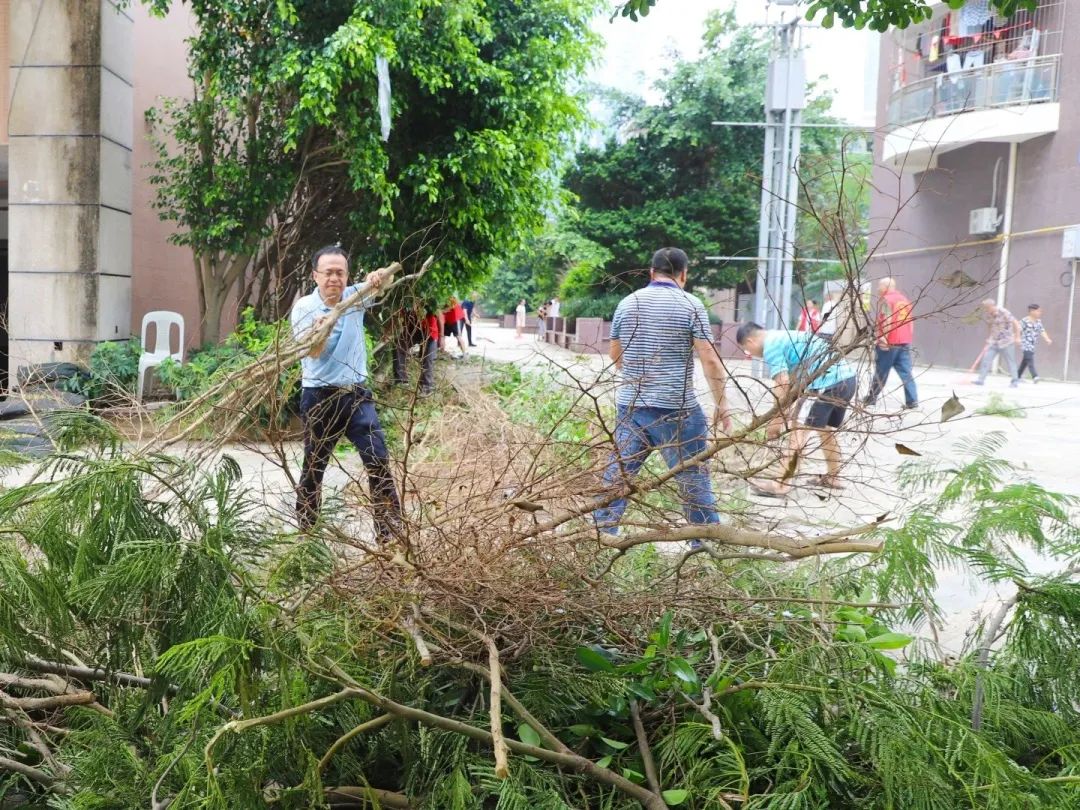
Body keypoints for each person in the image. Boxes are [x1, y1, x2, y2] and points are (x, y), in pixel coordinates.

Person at [592, 247, 731, 540]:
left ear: (651, 273)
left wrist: (639, 379)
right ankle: (703, 545)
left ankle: (599, 537)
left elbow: (616, 356)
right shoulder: (691, 304)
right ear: (684, 275)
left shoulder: (627, 304)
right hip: (677, 411)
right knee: (694, 483)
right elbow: (710, 361)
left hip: (631, 407)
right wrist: (722, 405)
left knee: (617, 479)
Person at [291, 245, 401, 537]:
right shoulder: (304, 308)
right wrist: (321, 330)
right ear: (315, 275)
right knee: (314, 467)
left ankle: (390, 534)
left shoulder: (355, 297)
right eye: (328, 273)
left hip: (356, 395)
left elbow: (381, 285)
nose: (334, 279)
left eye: (340, 273)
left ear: (347, 275)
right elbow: (312, 353)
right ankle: (308, 534)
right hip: (319, 398)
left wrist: (379, 276)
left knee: (378, 460)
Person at [736, 322, 858, 495]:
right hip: (847, 379)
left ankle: (781, 485)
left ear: (750, 341)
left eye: (746, 349)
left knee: (798, 430)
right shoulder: (784, 336)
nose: (750, 353)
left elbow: (783, 384)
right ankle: (833, 477)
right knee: (824, 430)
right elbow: (793, 384)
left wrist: (776, 421)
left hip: (826, 383)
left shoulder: (771, 345)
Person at [863, 277, 918, 410]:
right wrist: (908, 338)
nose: (877, 289)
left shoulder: (886, 300)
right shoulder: (905, 300)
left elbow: (887, 320)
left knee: (881, 371)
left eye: (879, 286)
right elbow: (911, 321)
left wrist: (883, 338)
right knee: (906, 372)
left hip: (890, 342)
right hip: (903, 341)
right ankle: (912, 401)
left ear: (885, 287)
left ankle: (871, 399)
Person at [392, 306, 437, 396]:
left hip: (429, 331)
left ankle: (427, 387)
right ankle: (401, 381)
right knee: (398, 345)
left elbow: (440, 317)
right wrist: (388, 331)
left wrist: (442, 336)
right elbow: (396, 320)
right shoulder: (404, 304)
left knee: (427, 358)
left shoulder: (429, 304)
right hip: (412, 329)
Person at [975, 299, 1021, 387]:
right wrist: (989, 338)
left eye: (986, 308)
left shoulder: (1003, 312)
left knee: (1010, 361)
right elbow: (990, 326)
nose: (986, 310)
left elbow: (1016, 323)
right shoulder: (988, 315)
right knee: (986, 360)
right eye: (985, 308)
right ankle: (981, 380)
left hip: (1006, 341)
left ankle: (1015, 381)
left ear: (992, 306)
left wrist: (1018, 337)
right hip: (994, 342)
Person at [1017, 304, 1052, 382]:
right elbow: (1017, 330)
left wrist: (1047, 339)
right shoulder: (1024, 321)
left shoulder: (1038, 321)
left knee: (1025, 361)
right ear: (1032, 311)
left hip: (1032, 344)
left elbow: (1042, 330)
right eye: (1038, 311)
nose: (1040, 313)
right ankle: (1035, 376)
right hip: (1025, 343)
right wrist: (1018, 338)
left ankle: (1017, 376)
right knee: (1029, 359)